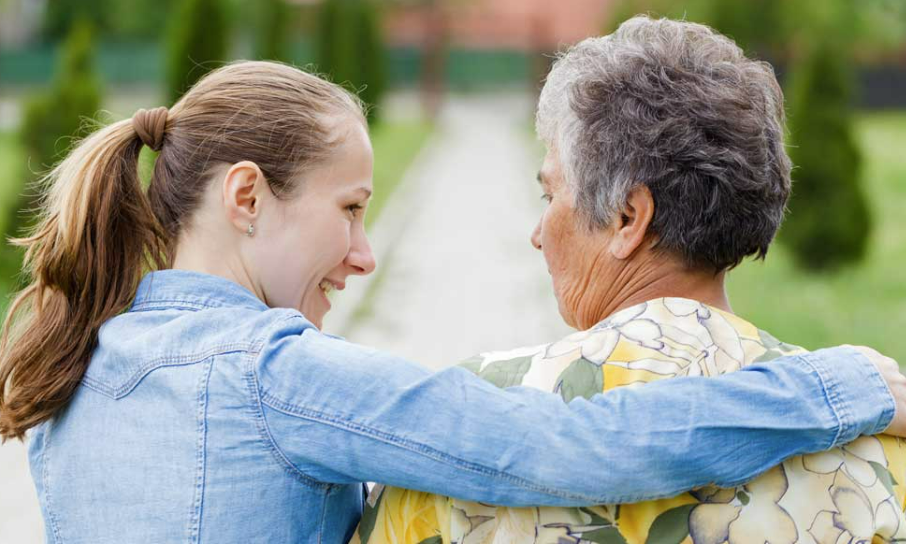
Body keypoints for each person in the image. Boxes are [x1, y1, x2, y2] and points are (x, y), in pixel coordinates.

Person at [0, 61, 902, 544]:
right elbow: (566, 449)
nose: (364, 253)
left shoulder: (72, 359)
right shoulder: (277, 376)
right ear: (245, 197)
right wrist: (838, 387)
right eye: (349, 210)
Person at [354, 16, 906, 544]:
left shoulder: (467, 425)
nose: (537, 233)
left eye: (551, 195)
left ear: (627, 218)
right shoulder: (879, 441)